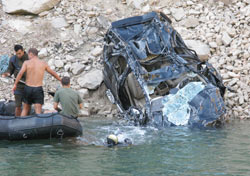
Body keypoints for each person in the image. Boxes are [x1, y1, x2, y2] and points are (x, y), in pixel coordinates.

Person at [13, 48, 61, 116]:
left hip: (28, 88)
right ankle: (38, 124)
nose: (28, 57)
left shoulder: (26, 62)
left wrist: (15, 84)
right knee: (38, 111)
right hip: (38, 89)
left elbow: (20, 74)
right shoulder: (43, 63)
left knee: (25, 109)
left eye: (29, 55)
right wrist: (60, 80)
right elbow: (52, 73)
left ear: (31, 54)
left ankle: (21, 123)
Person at [1, 45, 28, 116]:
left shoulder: (29, 58)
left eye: (20, 53)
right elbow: (10, 69)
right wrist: (7, 73)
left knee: (27, 105)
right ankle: (17, 120)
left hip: (29, 85)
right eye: (17, 54)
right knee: (18, 105)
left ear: (23, 50)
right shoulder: (13, 59)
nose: (18, 55)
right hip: (18, 85)